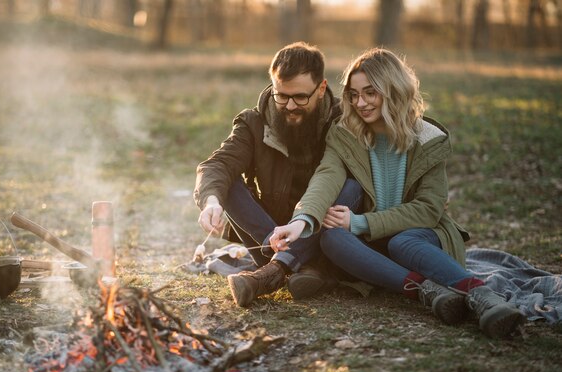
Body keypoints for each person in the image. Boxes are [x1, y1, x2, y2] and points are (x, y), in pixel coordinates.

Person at [269, 47, 524, 338]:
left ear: (392, 90)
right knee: (332, 237)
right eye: (353, 94)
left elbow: (429, 209)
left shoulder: (428, 138)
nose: (360, 102)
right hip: (373, 246)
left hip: (421, 236)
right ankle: (424, 291)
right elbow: (326, 177)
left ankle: (483, 297)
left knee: (402, 242)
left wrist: (361, 222)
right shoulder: (345, 134)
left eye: (370, 93)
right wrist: (301, 221)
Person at [194, 42, 351, 307]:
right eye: (281, 95)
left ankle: (285, 270)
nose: (290, 106)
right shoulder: (253, 123)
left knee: (349, 187)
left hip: (324, 233)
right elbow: (217, 164)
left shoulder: (343, 122)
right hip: (270, 239)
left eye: (300, 97)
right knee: (225, 184)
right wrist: (211, 201)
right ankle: (302, 268)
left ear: (321, 89)